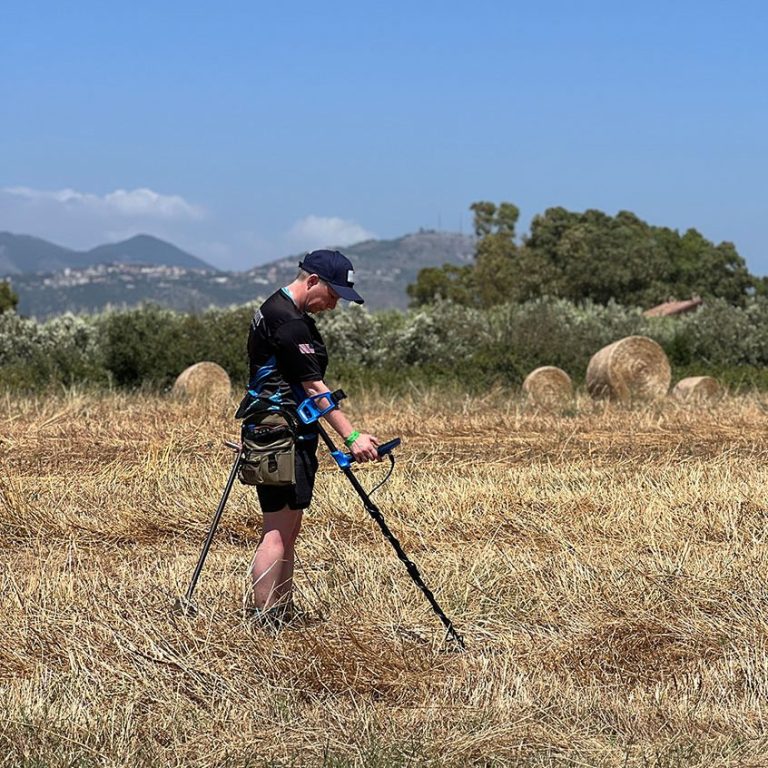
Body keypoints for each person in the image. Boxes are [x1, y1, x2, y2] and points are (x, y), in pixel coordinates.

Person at [235, 249, 380, 628]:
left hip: (280, 430)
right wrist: (353, 437)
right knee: (277, 532)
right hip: (279, 434)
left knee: (288, 528)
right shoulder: (288, 322)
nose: (334, 305)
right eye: (332, 295)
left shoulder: (280, 310)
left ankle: (281, 613)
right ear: (312, 280)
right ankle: (267, 622)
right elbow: (314, 387)